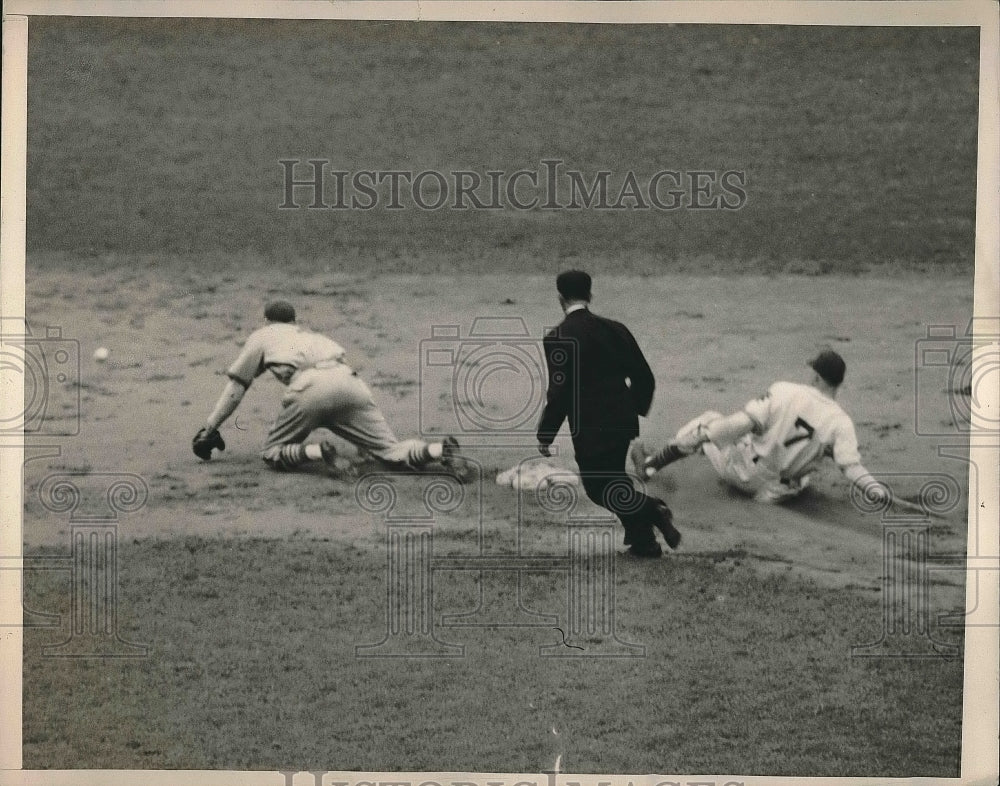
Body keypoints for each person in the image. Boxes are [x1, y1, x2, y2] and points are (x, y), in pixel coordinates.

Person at [192, 300, 461, 474]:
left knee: (271, 453)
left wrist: (210, 428)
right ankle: (439, 450)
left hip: (310, 390)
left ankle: (316, 451)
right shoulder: (313, 337)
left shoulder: (263, 336)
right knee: (391, 452)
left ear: (266, 321)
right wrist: (362, 441)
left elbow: (236, 389)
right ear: (294, 322)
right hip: (350, 384)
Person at [536, 270, 681, 558]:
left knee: (598, 488)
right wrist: (634, 408)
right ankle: (644, 543)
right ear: (589, 296)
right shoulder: (616, 329)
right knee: (615, 480)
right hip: (621, 420)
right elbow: (645, 376)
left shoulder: (557, 337)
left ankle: (653, 509)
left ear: (560, 299)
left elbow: (560, 393)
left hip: (589, 425)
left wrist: (545, 434)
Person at [630, 350, 891, 505]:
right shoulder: (841, 421)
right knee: (809, 463)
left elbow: (740, 425)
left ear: (816, 376)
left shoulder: (785, 390)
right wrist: (875, 489)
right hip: (781, 491)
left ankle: (650, 466)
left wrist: (705, 437)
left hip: (745, 473)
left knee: (708, 420)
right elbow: (851, 467)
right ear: (838, 383)